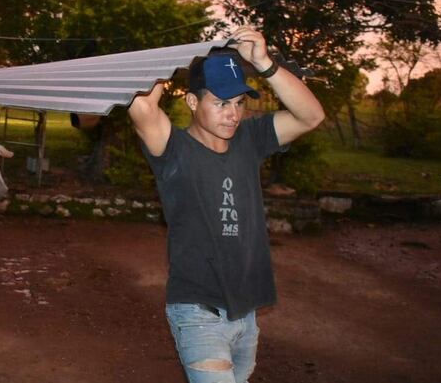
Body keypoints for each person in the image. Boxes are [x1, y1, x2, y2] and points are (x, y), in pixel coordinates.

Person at [127, 27, 325, 382]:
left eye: (238, 103)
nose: (232, 114)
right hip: (198, 310)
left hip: (246, 312)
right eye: (220, 102)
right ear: (191, 101)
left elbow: (311, 116)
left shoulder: (250, 138)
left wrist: (264, 63)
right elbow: (142, 104)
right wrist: (178, 58)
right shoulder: (172, 148)